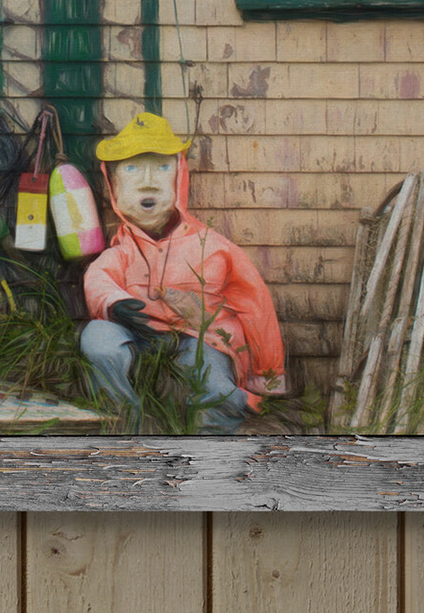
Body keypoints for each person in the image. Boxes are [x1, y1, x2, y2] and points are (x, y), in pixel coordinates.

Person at [76, 111, 286, 429]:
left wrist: (268, 374)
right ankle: (125, 425)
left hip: (201, 341)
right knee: (96, 337)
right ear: (114, 183)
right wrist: (115, 305)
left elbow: (255, 304)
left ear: (179, 176)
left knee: (213, 386)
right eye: (132, 168)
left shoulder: (213, 247)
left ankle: (209, 451)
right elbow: (98, 278)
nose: (148, 182)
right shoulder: (122, 250)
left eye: (161, 167)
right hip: (139, 337)